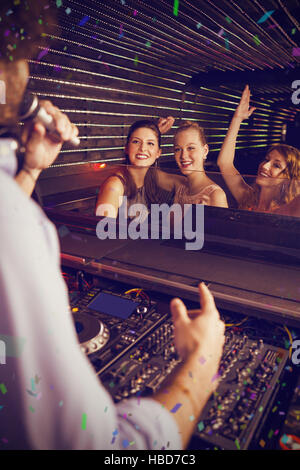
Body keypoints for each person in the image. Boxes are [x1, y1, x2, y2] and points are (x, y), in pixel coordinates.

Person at [0, 0, 225, 450]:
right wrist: (202, 360)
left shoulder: (165, 178)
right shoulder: (118, 178)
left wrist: (30, 171)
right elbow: (109, 449)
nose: (143, 149)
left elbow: (190, 178)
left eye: (151, 145)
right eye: (135, 142)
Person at [217, 85, 300, 216]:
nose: (265, 166)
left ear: (289, 177)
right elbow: (225, 163)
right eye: (267, 159)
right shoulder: (247, 197)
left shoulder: (287, 210)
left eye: (276, 165)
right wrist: (237, 119)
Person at [95, 118, 183, 218]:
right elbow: (104, 231)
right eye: (136, 142)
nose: (143, 148)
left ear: (158, 153)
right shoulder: (114, 186)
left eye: (150, 143)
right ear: (126, 148)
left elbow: (189, 184)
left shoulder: (152, 177)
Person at [173, 121, 228, 209]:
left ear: (205, 151)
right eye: (178, 149)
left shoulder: (215, 195)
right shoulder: (181, 189)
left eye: (190, 148)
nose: (183, 156)